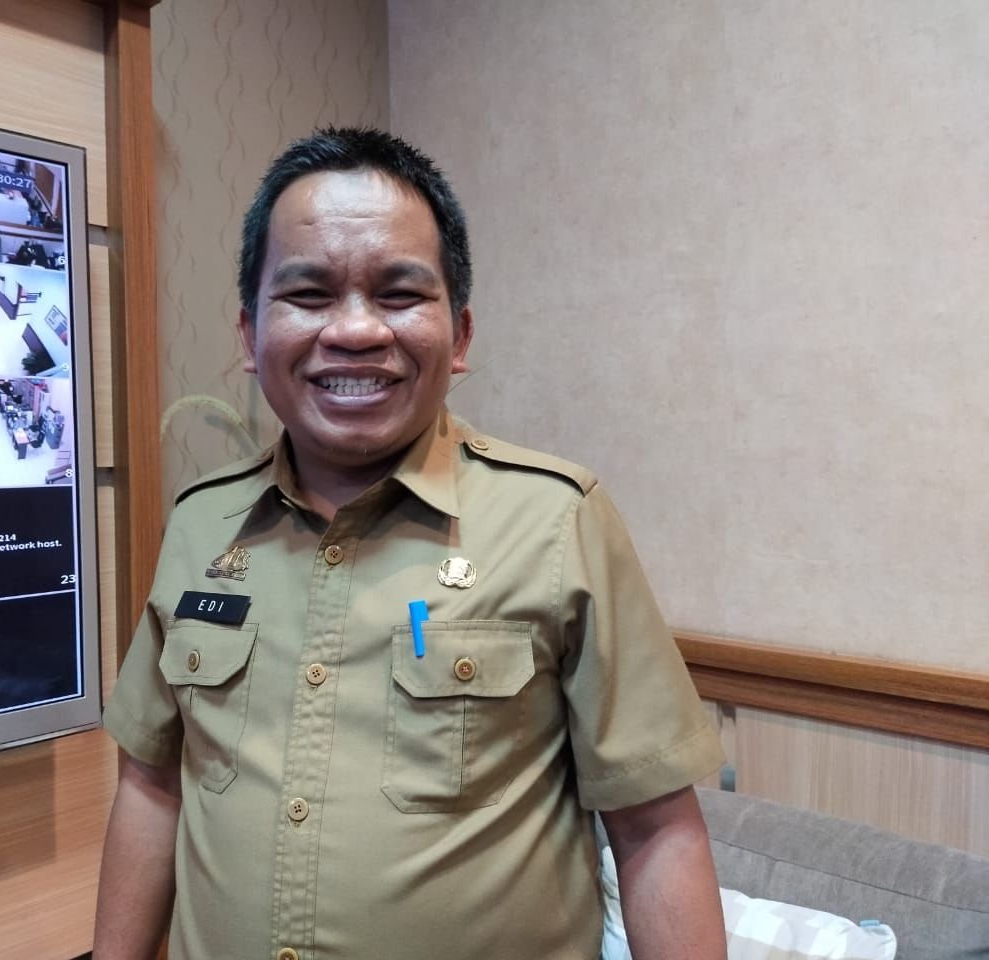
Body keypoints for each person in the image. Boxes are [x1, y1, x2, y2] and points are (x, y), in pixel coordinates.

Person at [95, 128, 727, 960]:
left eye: (398, 294)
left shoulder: (557, 521)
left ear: (458, 336)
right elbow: (152, 784)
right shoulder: (200, 523)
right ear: (249, 335)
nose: (356, 331)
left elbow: (654, 828)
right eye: (309, 294)